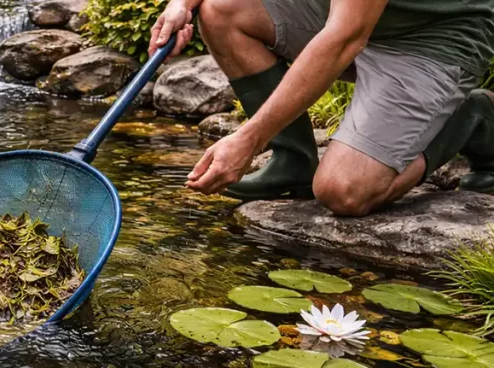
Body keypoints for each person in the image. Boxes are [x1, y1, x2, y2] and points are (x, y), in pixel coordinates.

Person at [149, 0, 494, 216]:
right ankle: (292, 161)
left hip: (435, 38)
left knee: (344, 192)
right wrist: (181, 4)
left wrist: (248, 140)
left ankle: (471, 117)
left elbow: (343, 38)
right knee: (221, 10)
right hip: (350, 12)